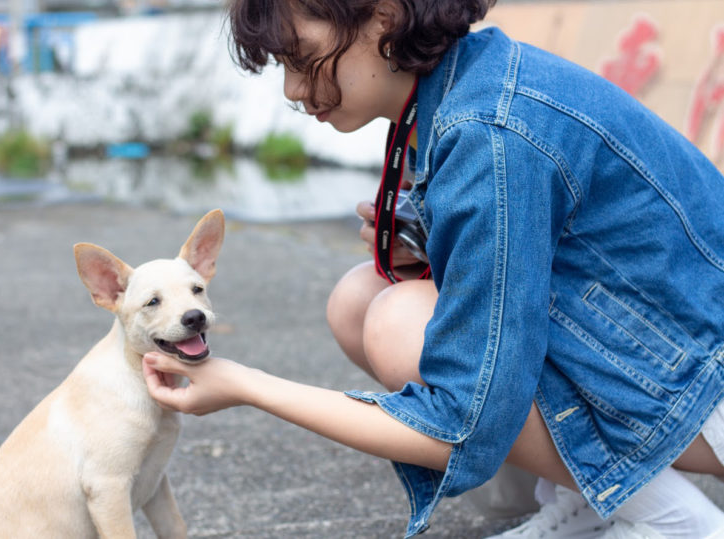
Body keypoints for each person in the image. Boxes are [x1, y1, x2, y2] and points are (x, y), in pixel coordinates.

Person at [142, 0, 724, 537]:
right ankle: (595, 497)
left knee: (398, 323)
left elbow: (464, 418)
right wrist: (435, 243)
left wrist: (245, 384)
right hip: (675, 355)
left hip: (707, 386)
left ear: (385, 15)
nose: (293, 88)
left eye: (299, 57)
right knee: (359, 297)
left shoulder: (487, 131)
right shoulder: (472, 81)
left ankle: (673, 521)